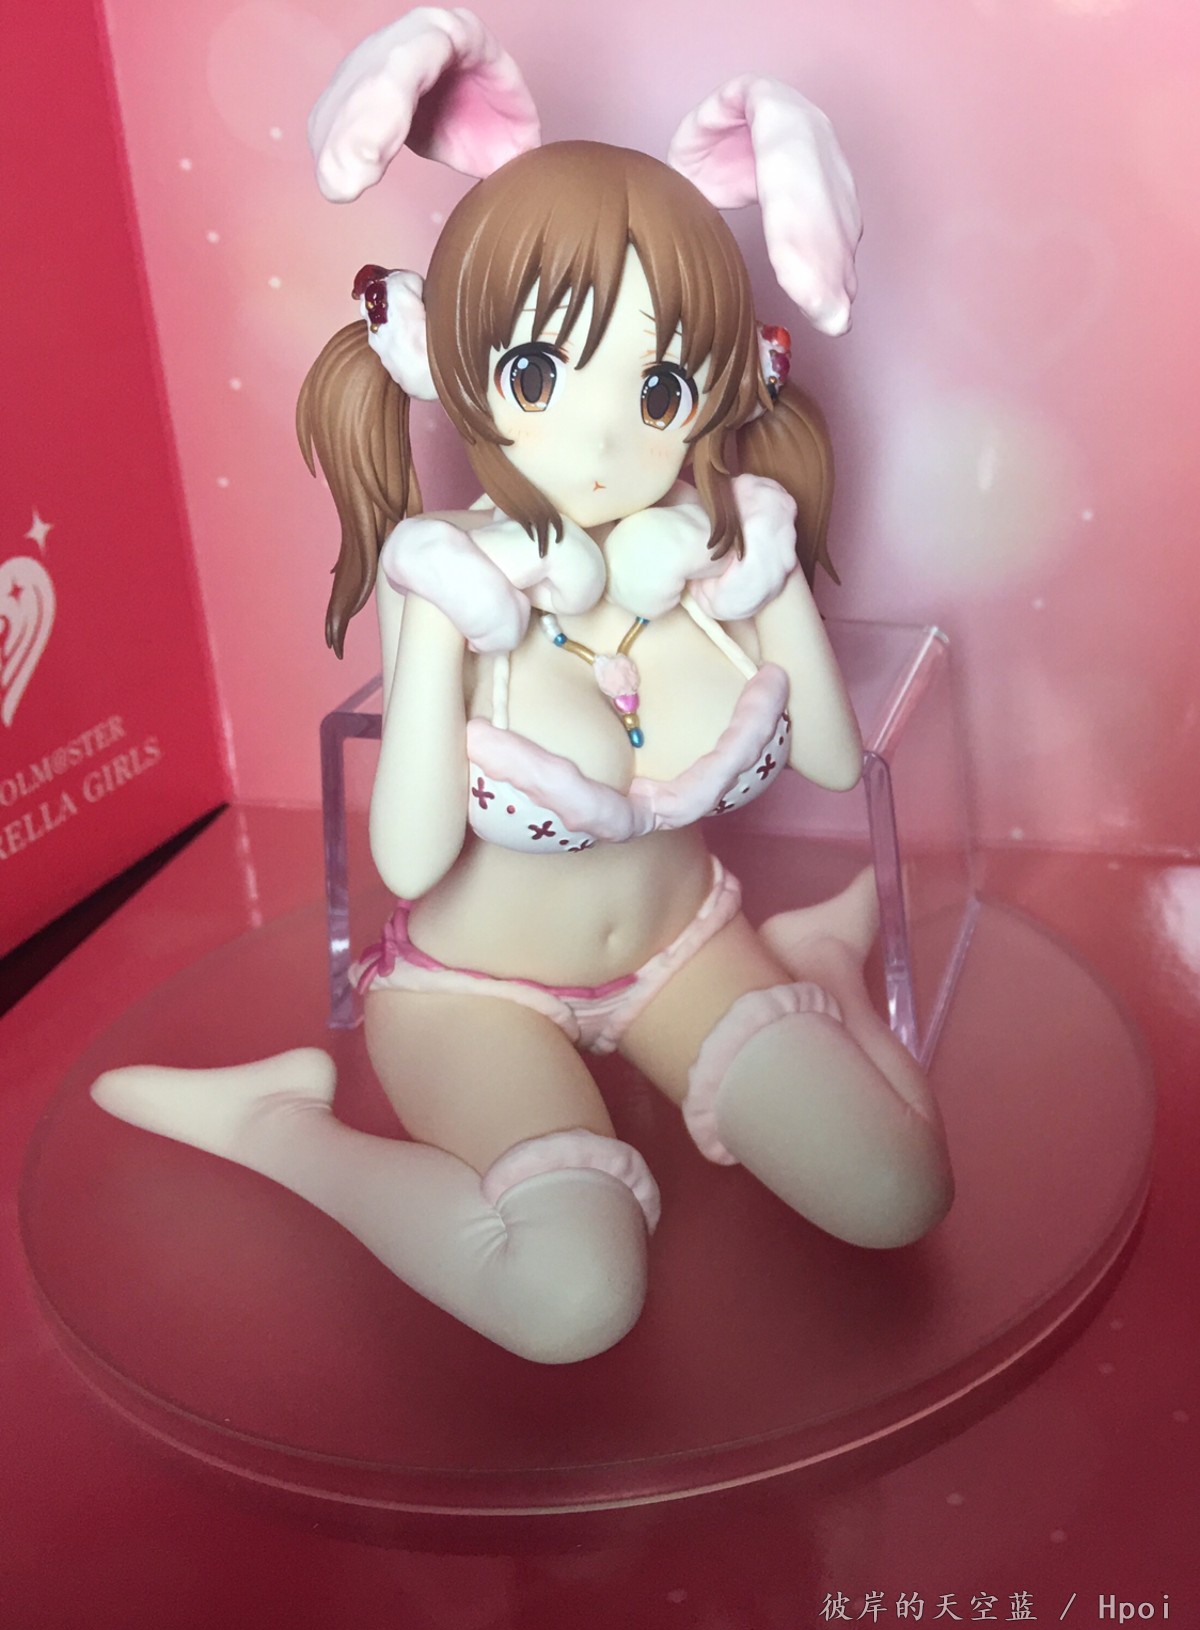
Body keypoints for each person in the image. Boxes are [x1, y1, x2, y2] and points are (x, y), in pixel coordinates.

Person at [92, 12, 952, 1364]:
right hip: (474, 990)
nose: (603, 438)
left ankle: (817, 962)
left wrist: (770, 561)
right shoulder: (454, 572)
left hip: (685, 951)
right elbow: (410, 856)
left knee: (901, 1193)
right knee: (572, 1298)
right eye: (542, 374)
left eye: (657, 386)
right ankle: (282, 1126)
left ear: (718, 383)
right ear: (455, 362)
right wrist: (434, 607)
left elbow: (839, 766)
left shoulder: (696, 557)